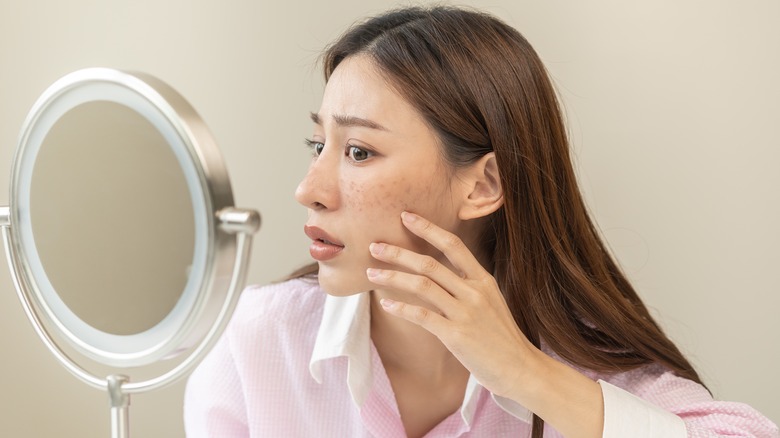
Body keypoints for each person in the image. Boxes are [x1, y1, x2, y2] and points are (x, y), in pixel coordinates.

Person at [184, 6, 778, 437]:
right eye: (319, 145)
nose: (308, 190)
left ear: (482, 185)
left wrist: (525, 374)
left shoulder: (578, 367)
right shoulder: (256, 343)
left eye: (359, 152)